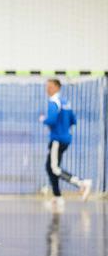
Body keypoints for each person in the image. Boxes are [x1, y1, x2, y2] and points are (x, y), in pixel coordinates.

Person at [40, 78, 92, 208]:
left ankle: (82, 183)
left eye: (50, 87)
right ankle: (57, 197)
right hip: (66, 138)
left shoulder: (54, 102)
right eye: (47, 87)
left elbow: (51, 120)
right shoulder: (66, 102)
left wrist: (43, 119)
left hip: (57, 139)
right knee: (50, 167)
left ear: (57, 87)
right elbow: (74, 120)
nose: (47, 89)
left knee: (54, 168)